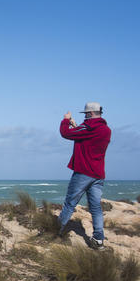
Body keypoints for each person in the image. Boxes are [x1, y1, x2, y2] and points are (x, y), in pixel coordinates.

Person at [57, 102, 112, 249]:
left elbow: (65, 133)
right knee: (95, 207)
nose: (85, 117)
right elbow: (86, 139)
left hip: (83, 173)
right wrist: (76, 126)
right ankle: (99, 239)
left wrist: (65, 120)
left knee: (70, 203)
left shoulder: (88, 127)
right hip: (98, 174)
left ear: (90, 114)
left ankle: (56, 231)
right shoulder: (106, 130)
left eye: (86, 114)